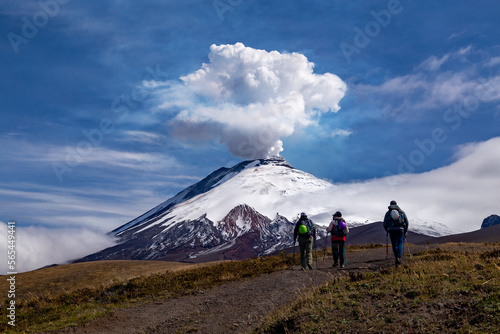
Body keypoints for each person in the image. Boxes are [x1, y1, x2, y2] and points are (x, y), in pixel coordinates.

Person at [383, 200, 409, 265]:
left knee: (394, 244)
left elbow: (384, 223)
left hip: (391, 230)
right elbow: (407, 222)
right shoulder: (402, 212)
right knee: (400, 243)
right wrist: (405, 231)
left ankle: (396, 257)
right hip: (400, 230)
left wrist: (387, 230)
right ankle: (398, 257)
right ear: (396, 204)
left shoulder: (388, 213)